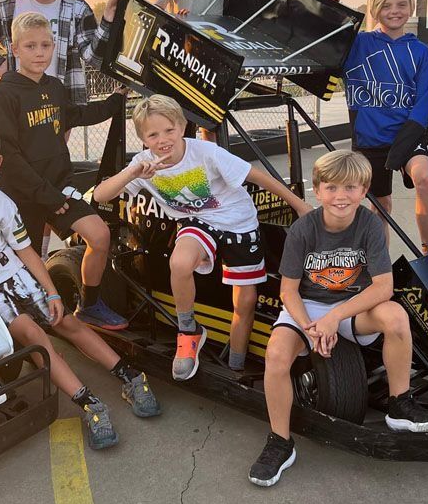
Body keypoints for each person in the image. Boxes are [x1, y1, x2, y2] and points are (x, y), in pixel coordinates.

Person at [0, 120, 161, 451]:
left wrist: (51, 291)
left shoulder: (2, 203)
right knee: (33, 334)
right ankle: (89, 403)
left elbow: (25, 251)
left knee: (65, 320)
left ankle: (129, 376)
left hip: (12, 275)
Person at [248, 150, 428, 487]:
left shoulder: (369, 224)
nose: (341, 196)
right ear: (318, 190)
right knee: (277, 355)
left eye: (351, 188)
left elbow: (383, 287)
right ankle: (280, 441)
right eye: (332, 188)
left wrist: (335, 316)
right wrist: (310, 327)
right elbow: (288, 291)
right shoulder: (303, 229)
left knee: (396, 315)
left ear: (364, 190)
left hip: (352, 306)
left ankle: (399, 403)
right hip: (308, 306)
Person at [93, 94, 312, 381]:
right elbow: (101, 195)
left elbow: (257, 176)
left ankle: (236, 365)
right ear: (143, 139)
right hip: (198, 221)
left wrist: (299, 205)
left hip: (237, 222)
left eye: (169, 130)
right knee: (180, 262)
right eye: (153, 135)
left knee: (245, 301)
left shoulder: (206, 153)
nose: (163, 140)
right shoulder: (144, 163)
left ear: (182, 126)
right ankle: (189, 331)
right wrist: (133, 172)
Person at [0, 0, 126, 259]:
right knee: (27, 170)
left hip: (56, 100)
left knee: (49, 165)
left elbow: (93, 54)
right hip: (18, 100)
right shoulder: (6, 4)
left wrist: (107, 17)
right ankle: (33, 255)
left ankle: (45, 256)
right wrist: (0, 64)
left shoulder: (75, 6)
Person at [0, 12, 129, 330]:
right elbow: (8, 157)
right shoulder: (4, 94)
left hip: (58, 189)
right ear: (15, 49)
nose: (40, 53)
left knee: (99, 235)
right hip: (23, 196)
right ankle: (25, 327)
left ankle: (89, 305)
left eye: (46, 45)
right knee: (27, 263)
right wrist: (46, 196)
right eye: (31, 46)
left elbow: (76, 115)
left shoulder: (54, 87)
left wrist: (114, 102)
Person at [343, 0, 428, 252]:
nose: (394, 11)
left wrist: (402, 148)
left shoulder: (422, 52)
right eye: (386, 5)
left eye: (401, 4)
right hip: (370, 138)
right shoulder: (358, 44)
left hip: (408, 134)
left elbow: (422, 105)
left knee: (425, 178)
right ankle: (379, 261)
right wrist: (331, 11)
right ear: (374, 9)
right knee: (380, 204)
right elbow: (324, 39)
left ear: (411, 8)